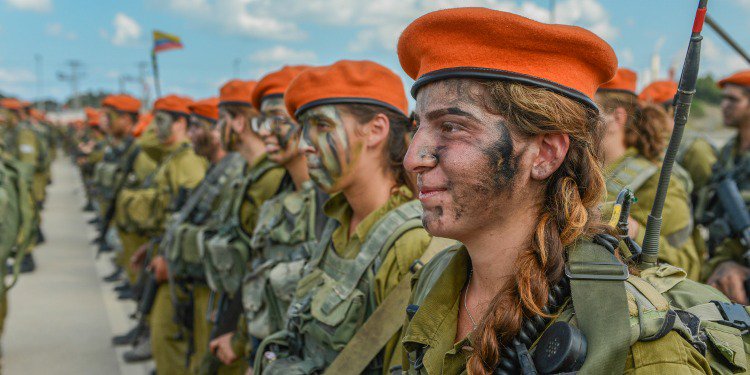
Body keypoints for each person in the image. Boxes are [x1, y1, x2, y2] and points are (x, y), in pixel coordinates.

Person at [395, 8, 738, 374]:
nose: (413, 158)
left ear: (545, 153)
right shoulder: (435, 279)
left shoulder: (631, 343)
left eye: (451, 127)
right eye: (419, 127)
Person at [253, 60, 431, 375]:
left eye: (322, 126)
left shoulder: (411, 242)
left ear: (376, 130)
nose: (305, 145)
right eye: (304, 129)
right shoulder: (338, 220)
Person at [241, 65, 331, 364]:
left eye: (277, 120)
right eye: (262, 121)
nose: (264, 131)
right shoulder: (281, 192)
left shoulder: (329, 201)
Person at [198, 79, 284, 374]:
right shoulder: (248, 173)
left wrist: (238, 334)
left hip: (249, 317)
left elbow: (260, 261)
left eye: (220, 120)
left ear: (236, 122)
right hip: (234, 303)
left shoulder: (270, 178)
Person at [596, 68, 701, 280]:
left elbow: (690, 265)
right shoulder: (586, 171)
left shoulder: (657, 183)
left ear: (617, 118)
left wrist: (635, 233)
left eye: (589, 112)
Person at [705, 70, 750, 304]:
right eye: (723, 98)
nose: (724, 105)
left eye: (733, 99)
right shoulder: (727, 152)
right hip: (720, 269)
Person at [640, 80, 717, 193]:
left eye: (651, 114)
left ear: (670, 111)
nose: (644, 120)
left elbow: (707, 193)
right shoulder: (650, 141)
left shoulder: (695, 148)